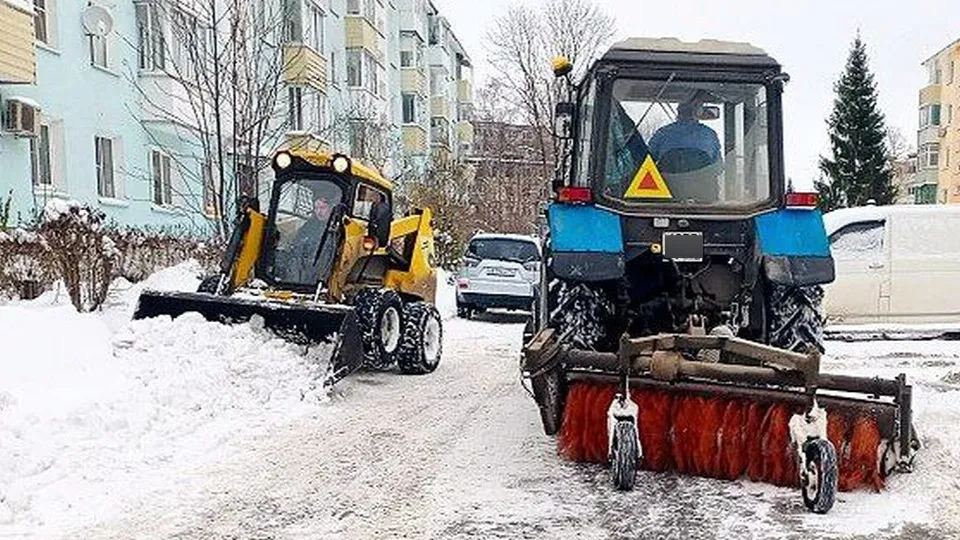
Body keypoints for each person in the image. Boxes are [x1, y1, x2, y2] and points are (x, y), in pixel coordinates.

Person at [648, 98, 722, 174]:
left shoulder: (662, 133)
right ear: (698, 113)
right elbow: (718, 167)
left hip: (668, 181)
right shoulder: (709, 134)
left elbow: (648, 160)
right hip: (703, 181)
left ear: (679, 112)